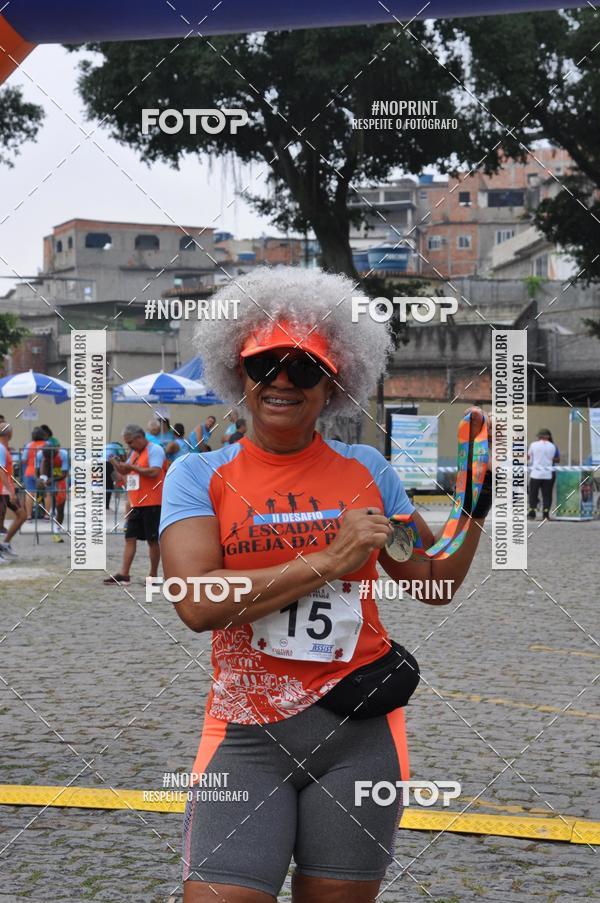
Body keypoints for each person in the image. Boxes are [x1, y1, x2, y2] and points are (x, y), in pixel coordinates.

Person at [160, 266, 489, 903]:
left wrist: (474, 505)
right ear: (237, 373)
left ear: (335, 383)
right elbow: (197, 604)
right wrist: (330, 560)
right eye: (264, 365)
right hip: (247, 736)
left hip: (360, 734)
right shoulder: (199, 475)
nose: (282, 381)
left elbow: (431, 582)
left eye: (305, 368)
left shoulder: (369, 470)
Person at [104, 424, 167, 586]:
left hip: (153, 502)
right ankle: (124, 574)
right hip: (136, 503)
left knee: (152, 540)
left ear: (139, 438)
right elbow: (125, 472)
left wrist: (131, 466)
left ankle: (153, 575)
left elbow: (154, 472)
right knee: (129, 537)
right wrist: (115, 464)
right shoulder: (135, 453)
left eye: (130, 442)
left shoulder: (155, 450)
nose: (129, 446)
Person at [0, 423, 27, 560]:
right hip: (2, 490)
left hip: (6, 489)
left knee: (22, 515)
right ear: (9, 433)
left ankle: (5, 544)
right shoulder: (0, 448)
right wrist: (11, 490)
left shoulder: (4, 448)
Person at [528, 428, 557, 520]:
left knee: (533, 494)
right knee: (547, 495)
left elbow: (530, 460)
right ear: (548, 437)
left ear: (539, 436)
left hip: (535, 474)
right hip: (547, 474)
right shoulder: (552, 446)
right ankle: (546, 514)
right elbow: (553, 458)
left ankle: (532, 512)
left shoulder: (533, 445)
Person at [21, 427, 47, 520]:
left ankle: (29, 516)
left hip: (30, 471)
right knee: (46, 493)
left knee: (30, 493)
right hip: (43, 472)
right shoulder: (47, 445)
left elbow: (24, 459)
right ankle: (46, 515)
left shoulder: (29, 445)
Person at [105, 439, 126, 509]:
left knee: (106, 484)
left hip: (98, 464)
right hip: (107, 464)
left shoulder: (106, 446)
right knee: (110, 484)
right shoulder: (118, 447)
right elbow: (123, 458)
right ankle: (107, 504)